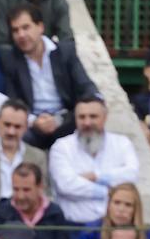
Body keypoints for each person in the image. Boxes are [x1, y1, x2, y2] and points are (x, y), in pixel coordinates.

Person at [0, 4, 95, 150]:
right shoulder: (11, 58)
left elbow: (85, 86)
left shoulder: (64, 52)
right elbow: (13, 99)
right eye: (15, 30)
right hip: (32, 123)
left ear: (40, 27)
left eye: (26, 27)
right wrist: (33, 121)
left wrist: (60, 119)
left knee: (88, 127)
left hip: (65, 119)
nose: (21, 35)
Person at [47, 96, 139, 226]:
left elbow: (131, 176)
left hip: (114, 228)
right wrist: (110, 192)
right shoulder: (61, 147)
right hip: (74, 226)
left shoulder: (122, 143)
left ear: (105, 117)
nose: (87, 123)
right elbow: (66, 185)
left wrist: (96, 176)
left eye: (93, 116)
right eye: (82, 117)